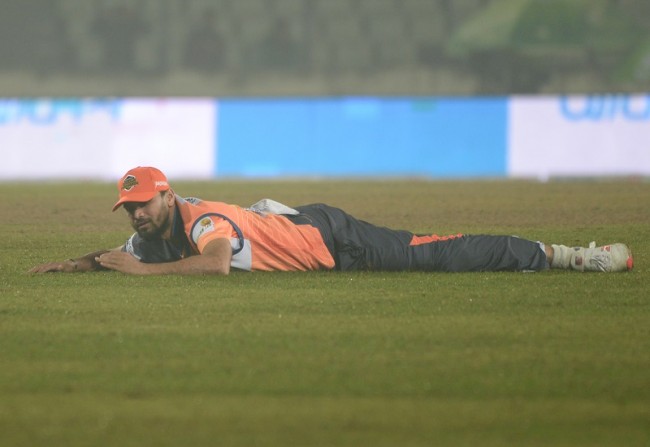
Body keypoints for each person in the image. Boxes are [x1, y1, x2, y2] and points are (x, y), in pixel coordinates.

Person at [30, 166, 634, 276]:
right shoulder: (154, 232)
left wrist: (139, 274)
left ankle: (572, 256)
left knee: (439, 252)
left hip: (334, 239)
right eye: (129, 208)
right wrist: (74, 265)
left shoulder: (201, 220)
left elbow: (215, 266)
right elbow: (118, 254)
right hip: (304, 232)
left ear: (167, 196)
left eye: (143, 203)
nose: (137, 214)